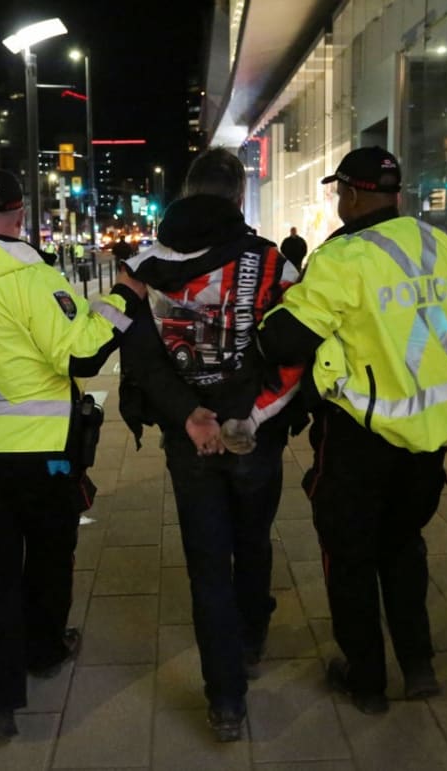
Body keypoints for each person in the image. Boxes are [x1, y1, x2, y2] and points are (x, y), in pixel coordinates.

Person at [0, 169, 146, 744]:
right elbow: (84, 355)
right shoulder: (32, 279)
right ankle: (44, 649)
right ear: (18, 217)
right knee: (49, 554)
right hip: (42, 458)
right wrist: (120, 300)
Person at [258, 146, 447, 714]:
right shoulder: (445, 248)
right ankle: (418, 665)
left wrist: (272, 312)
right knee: (404, 545)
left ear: (354, 194)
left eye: (341, 192)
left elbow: (285, 341)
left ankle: (365, 676)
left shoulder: (344, 257)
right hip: (430, 440)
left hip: (361, 436)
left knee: (350, 555)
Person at [119, 147, 301, 742]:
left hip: (186, 435)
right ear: (238, 198)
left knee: (206, 564)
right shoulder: (272, 263)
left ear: (187, 191)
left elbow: (140, 356)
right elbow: (298, 351)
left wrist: (189, 414)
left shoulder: (143, 264)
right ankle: (251, 636)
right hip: (255, 434)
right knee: (252, 539)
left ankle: (225, 700)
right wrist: (251, 416)